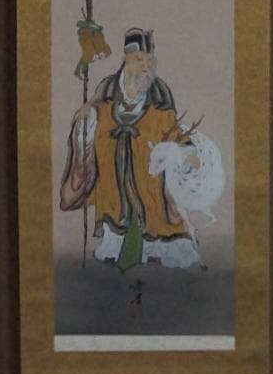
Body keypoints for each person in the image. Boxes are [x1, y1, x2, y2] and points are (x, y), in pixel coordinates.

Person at [61, 27, 201, 270]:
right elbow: (93, 117)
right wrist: (86, 120)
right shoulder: (107, 89)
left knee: (154, 208)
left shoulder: (159, 93)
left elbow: (172, 129)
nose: (146, 67)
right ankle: (117, 247)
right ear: (125, 59)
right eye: (139, 60)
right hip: (113, 172)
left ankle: (157, 247)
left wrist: (185, 152)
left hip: (148, 176)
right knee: (116, 207)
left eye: (150, 61)